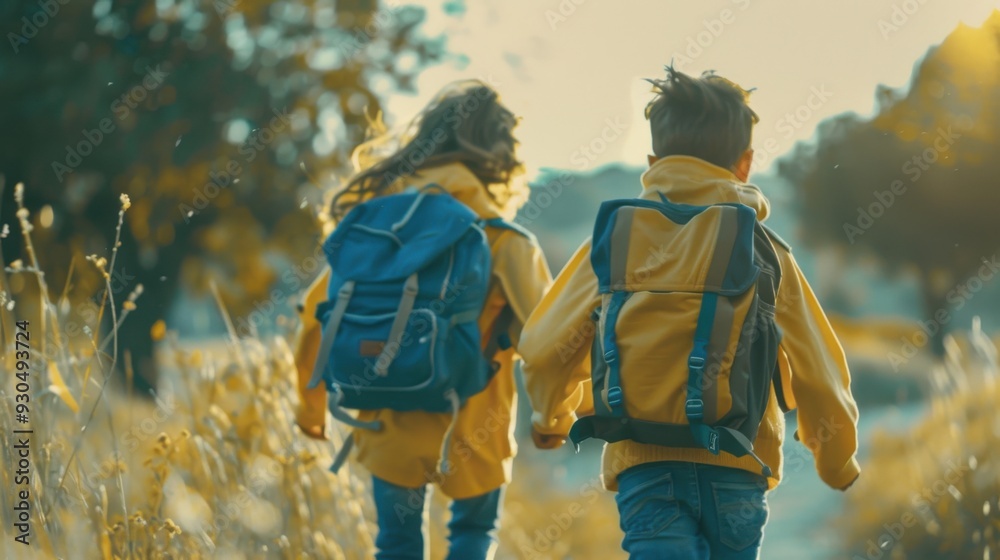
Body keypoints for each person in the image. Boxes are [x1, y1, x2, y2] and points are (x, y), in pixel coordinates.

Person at [518, 66, 861, 559]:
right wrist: (837, 463)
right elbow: (820, 371)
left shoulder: (614, 240)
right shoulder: (763, 249)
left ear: (653, 161)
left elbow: (545, 347)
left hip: (644, 469)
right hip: (738, 469)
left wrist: (551, 418)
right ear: (745, 164)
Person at [292, 80, 552, 560]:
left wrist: (311, 407)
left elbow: (317, 315)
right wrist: (554, 416)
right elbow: (549, 337)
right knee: (473, 538)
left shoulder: (378, 229)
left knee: (396, 544)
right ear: (499, 155)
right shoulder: (504, 239)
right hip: (473, 428)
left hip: (386, 423)